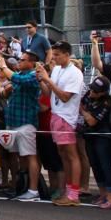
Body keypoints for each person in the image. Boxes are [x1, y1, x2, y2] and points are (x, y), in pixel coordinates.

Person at [35, 41, 84, 206]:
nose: (54, 58)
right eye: (53, 54)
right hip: (56, 115)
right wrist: (42, 80)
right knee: (63, 155)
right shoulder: (56, 69)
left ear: (67, 55)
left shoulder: (75, 73)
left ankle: (73, 194)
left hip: (67, 117)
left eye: (57, 55)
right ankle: (68, 191)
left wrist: (48, 80)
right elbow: (49, 94)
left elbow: (65, 97)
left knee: (71, 155)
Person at [0, 48, 41, 201]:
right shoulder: (20, 75)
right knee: (18, 156)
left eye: (23, 60)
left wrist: (3, 66)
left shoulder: (33, 76)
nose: (19, 62)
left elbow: (18, 80)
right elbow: (7, 90)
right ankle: (21, 185)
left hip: (26, 122)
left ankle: (33, 189)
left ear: (31, 62)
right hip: (13, 121)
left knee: (30, 156)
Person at [81, 75, 111, 208]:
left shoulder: (107, 102)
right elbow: (81, 103)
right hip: (90, 136)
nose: (91, 93)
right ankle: (102, 194)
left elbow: (92, 121)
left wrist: (84, 112)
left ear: (103, 92)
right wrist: (85, 111)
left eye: (95, 91)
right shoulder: (88, 95)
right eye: (91, 89)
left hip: (104, 137)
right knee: (95, 165)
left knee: (105, 165)